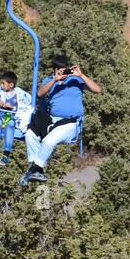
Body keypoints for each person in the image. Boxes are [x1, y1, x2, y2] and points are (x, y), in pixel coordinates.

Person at [20, 54, 101, 185]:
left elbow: (97, 90)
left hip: (70, 122)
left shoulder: (75, 80)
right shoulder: (49, 80)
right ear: (54, 70)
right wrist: (55, 80)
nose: (63, 72)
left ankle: (35, 169)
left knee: (47, 142)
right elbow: (40, 94)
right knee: (29, 135)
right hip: (52, 121)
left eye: (65, 69)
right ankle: (36, 169)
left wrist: (81, 75)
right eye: (59, 69)